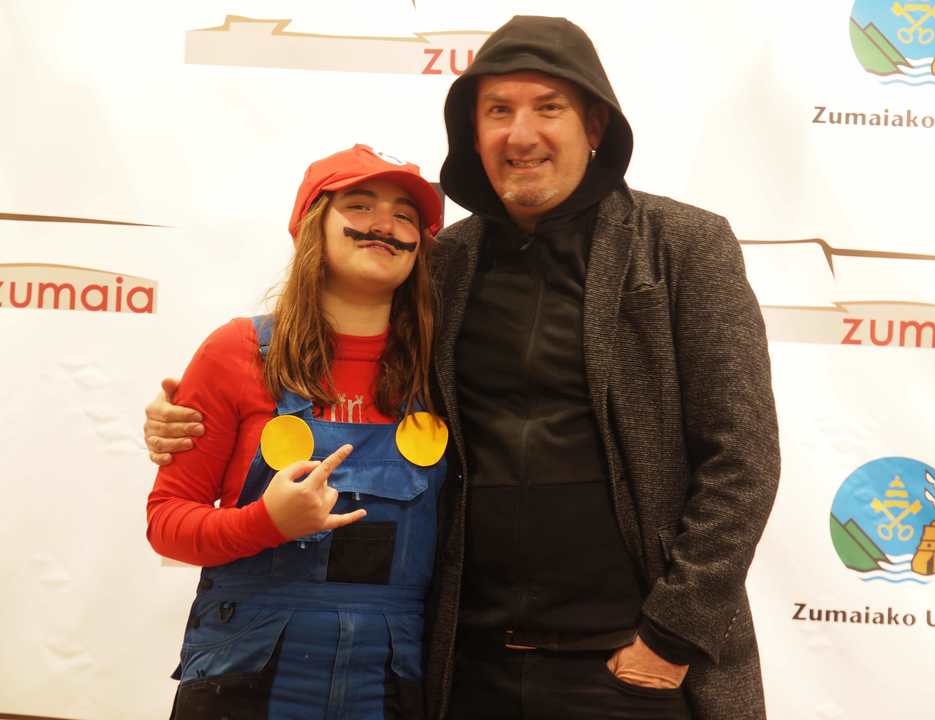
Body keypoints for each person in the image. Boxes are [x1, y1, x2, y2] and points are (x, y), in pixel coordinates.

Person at [146, 16, 780, 720]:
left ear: (595, 125)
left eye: (548, 107)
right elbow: (337, 363)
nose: (521, 133)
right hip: (465, 669)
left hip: (628, 669)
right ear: (473, 135)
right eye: (498, 111)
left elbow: (742, 458)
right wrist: (187, 421)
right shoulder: (445, 263)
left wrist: (671, 635)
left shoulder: (683, 246)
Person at [145, 144, 446, 719]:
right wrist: (266, 523)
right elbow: (167, 522)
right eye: (360, 206)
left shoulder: (445, 373)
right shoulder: (237, 351)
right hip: (243, 673)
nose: (384, 225)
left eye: (405, 215)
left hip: (391, 682)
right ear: (314, 226)